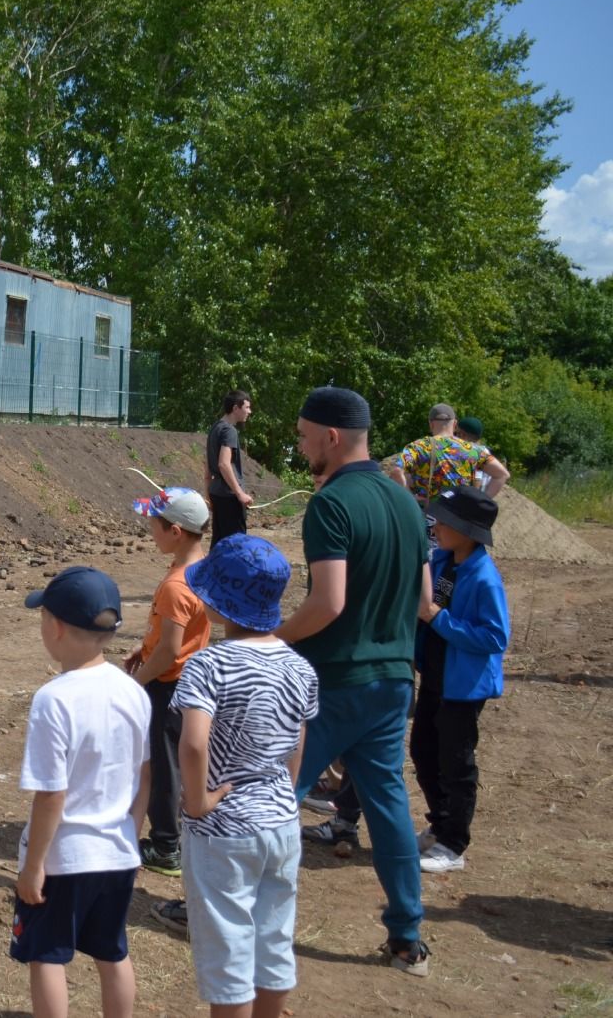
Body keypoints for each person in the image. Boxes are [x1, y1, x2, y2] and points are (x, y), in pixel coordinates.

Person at [274, 385, 432, 977]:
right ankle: (406, 937)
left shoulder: (332, 503)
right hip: (394, 680)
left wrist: (271, 639)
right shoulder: (406, 503)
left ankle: (225, 907)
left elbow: (329, 602)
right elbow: (420, 599)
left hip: (333, 682)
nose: (299, 444)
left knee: (270, 796)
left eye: (302, 434)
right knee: (388, 804)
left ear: (331, 437)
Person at [168, 534, 318, 1018]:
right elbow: (297, 742)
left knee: (228, 945)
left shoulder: (208, 664)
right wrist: (288, 796)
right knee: (273, 938)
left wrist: (197, 802)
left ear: (217, 602)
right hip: (280, 821)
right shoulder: (299, 667)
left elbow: (193, 742)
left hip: (223, 830)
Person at [14, 566, 151, 1018]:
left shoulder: (54, 698)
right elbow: (146, 773)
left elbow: (51, 793)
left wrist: (34, 865)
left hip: (65, 856)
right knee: (112, 952)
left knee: (47, 955)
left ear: (54, 627)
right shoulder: (133, 691)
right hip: (118, 850)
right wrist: (131, 831)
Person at [412, 486, 509, 874]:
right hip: (437, 675)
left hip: (464, 685)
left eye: (446, 522)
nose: (437, 527)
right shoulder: (441, 561)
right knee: (423, 752)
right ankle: (440, 823)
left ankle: (454, 844)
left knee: (456, 762)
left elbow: (494, 637)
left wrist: (439, 618)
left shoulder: (485, 578)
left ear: (469, 531)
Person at [122, 488, 212, 878]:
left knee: (162, 765)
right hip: (185, 679)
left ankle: (165, 846)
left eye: (154, 525)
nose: (149, 531)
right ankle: (171, 837)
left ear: (175, 531)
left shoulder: (176, 585)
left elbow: (170, 651)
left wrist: (137, 681)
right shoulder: (201, 569)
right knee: (170, 760)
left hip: (168, 683)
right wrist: (145, 649)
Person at [391, 403, 509, 551]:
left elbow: (396, 471)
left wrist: (409, 498)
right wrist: (480, 500)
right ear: (455, 424)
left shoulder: (418, 447)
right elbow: (502, 475)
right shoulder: (472, 450)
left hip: (427, 521)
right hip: (459, 524)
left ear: (431, 423)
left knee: (426, 566)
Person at [206, 391, 255, 545]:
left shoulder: (215, 428)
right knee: (235, 545)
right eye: (247, 407)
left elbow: (207, 469)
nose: (249, 411)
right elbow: (223, 464)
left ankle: (213, 569)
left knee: (218, 543)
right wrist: (240, 494)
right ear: (235, 408)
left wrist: (208, 494)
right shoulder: (230, 431)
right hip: (229, 497)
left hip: (216, 493)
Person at [453, 416, 507, 495]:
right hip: (479, 498)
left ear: (462, 435)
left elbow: (476, 482)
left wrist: (475, 502)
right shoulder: (485, 452)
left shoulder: (473, 452)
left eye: (456, 434)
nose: (454, 437)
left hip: (470, 500)